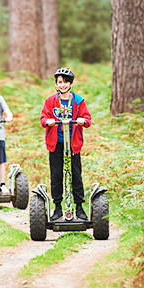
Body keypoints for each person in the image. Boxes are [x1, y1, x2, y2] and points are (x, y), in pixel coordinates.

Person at [40, 67, 92, 220]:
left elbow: (88, 119)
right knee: (56, 175)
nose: (63, 85)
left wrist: (83, 121)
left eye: (66, 82)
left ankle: (79, 207)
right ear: (56, 84)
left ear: (71, 83)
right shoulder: (51, 101)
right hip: (56, 144)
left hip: (73, 145)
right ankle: (57, 208)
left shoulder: (78, 101)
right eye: (60, 82)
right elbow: (43, 119)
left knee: (76, 175)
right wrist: (48, 121)